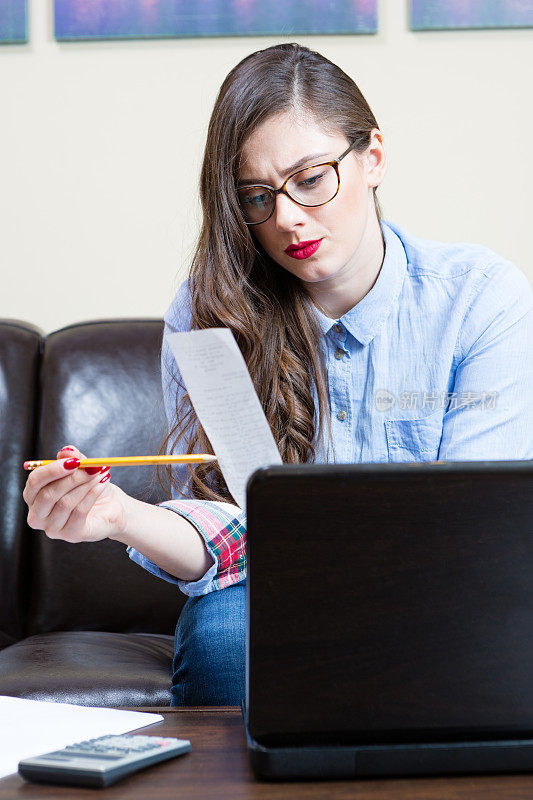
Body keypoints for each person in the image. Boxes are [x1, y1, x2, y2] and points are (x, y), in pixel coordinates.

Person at [23, 43, 533, 707]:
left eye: (312, 179)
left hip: (442, 583)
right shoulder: (205, 316)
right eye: (256, 196)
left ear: (371, 158)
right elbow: (228, 539)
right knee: (226, 639)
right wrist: (118, 515)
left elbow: (476, 532)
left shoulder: (478, 298)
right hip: (270, 589)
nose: (287, 218)